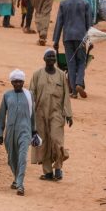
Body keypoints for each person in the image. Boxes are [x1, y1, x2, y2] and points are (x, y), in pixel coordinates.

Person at [30, 49, 73, 181]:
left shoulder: (61, 75)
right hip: (40, 113)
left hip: (57, 112)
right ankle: (48, 172)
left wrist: (68, 114)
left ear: (55, 60)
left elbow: (66, 95)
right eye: (48, 56)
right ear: (44, 58)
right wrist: (30, 114)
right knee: (44, 143)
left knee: (56, 140)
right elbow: (31, 95)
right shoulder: (37, 74)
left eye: (53, 57)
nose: (51, 59)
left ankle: (58, 166)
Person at [0, 69, 37, 196]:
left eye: (20, 81)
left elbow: (33, 114)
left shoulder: (29, 95)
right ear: (12, 82)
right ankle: (16, 179)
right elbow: (2, 115)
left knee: (22, 157)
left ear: (23, 81)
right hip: (10, 132)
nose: (18, 84)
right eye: (15, 82)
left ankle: (20, 185)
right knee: (11, 158)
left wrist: (34, 129)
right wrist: (0, 132)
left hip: (25, 131)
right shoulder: (7, 95)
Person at [53, 0, 93, 98]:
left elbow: (59, 22)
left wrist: (56, 40)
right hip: (81, 37)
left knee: (71, 63)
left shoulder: (63, 3)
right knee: (81, 61)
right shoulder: (85, 3)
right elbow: (89, 24)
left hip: (68, 37)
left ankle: (73, 92)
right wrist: (90, 41)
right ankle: (79, 83)